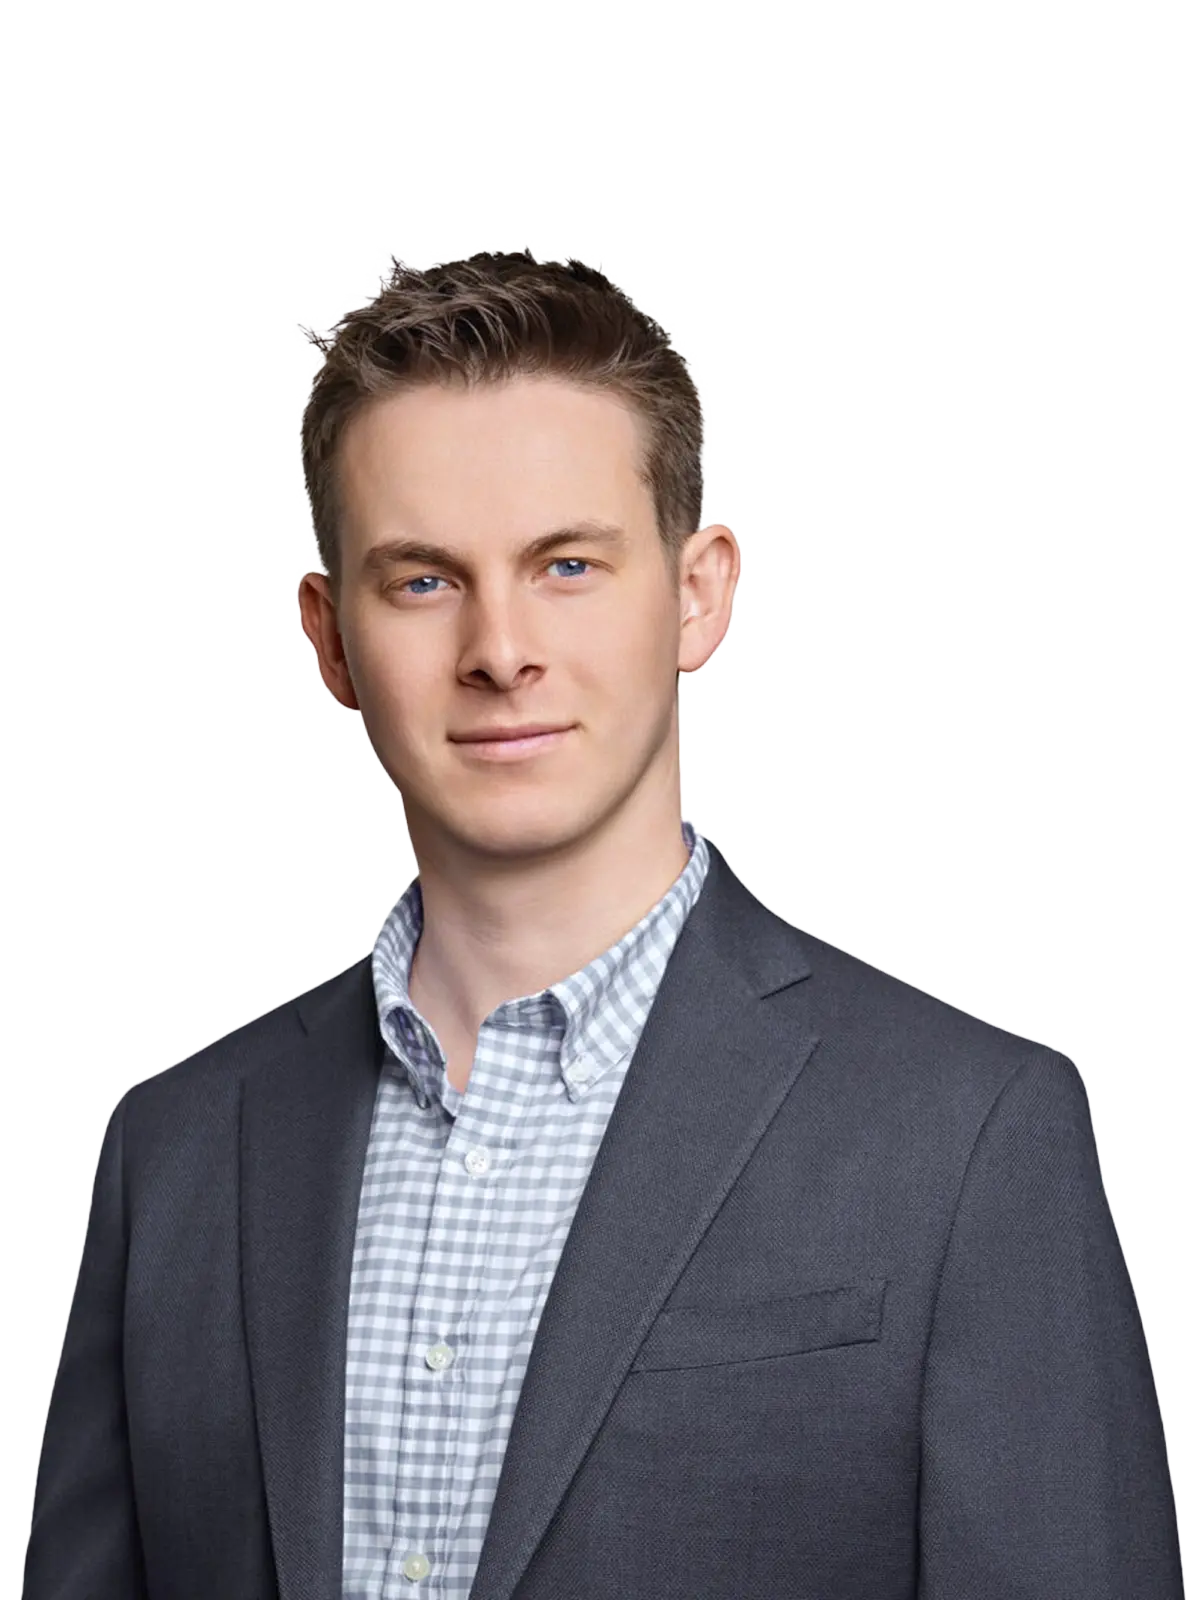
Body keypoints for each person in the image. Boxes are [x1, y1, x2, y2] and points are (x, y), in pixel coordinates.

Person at [21, 246, 1185, 1600]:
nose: (500, 649)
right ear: (329, 638)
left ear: (699, 592)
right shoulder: (174, 1154)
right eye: (422, 580)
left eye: (566, 565)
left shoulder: (966, 1139)